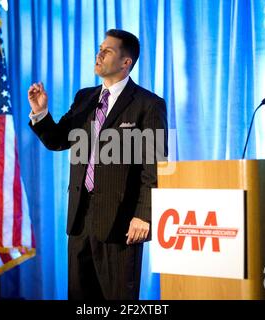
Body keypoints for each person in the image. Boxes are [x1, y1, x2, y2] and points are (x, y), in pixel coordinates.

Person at [28, 29, 167, 300]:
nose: (99, 54)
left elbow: (155, 167)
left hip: (122, 223)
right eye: (100, 48)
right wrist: (40, 112)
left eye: (108, 50)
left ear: (126, 62)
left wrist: (144, 215)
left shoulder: (148, 104)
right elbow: (58, 140)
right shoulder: (85, 98)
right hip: (80, 220)